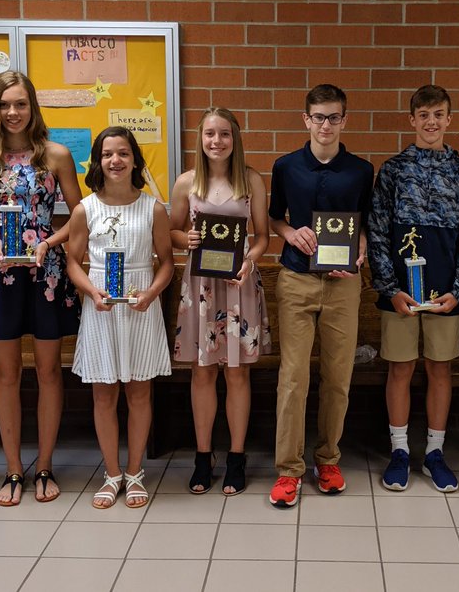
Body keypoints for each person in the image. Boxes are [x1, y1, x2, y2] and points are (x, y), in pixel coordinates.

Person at [0, 71, 82, 507]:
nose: (13, 112)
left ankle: (44, 465)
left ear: (32, 108)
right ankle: (12, 469)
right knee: (7, 374)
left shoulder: (55, 155)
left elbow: (78, 215)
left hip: (46, 272)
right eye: (5, 104)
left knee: (48, 371)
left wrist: (49, 242)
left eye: (21, 104)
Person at [268, 84, 374, 509]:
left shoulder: (361, 170)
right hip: (297, 279)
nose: (325, 125)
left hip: (344, 283)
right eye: (318, 117)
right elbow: (274, 219)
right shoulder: (286, 166)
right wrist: (290, 233)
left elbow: (364, 224)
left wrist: (361, 248)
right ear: (306, 120)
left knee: (338, 376)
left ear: (344, 120)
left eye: (333, 117)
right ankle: (288, 469)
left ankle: (328, 460)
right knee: (293, 376)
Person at [367, 85, 459, 493]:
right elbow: (377, 231)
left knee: (439, 368)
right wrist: (389, 287)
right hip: (400, 292)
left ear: (450, 119)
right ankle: (399, 450)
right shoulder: (393, 170)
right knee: (400, 368)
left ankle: (434, 452)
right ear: (412, 119)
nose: (432, 122)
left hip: (444, 290)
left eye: (439, 114)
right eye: (424, 115)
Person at [67, 126, 174, 509]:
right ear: (98, 161)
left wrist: (152, 293)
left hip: (140, 305)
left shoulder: (152, 208)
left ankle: (135, 471)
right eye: (108, 154)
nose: (116, 160)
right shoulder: (85, 209)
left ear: (134, 160)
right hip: (101, 307)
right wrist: (91, 291)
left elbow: (167, 263)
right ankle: (112, 474)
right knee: (104, 393)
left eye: (123, 153)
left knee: (140, 392)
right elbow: (73, 262)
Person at [170, 108, 271, 496]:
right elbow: (173, 231)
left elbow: (262, 237)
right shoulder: (186, 182)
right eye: (210, 134)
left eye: (224, 134)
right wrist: (186, 239)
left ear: (235, 138)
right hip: (201, 288)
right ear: (200, 138)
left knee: (237, 373)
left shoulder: (251, 180)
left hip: (238, 283)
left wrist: (250, 261)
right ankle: (202, 456)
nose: (217, 141)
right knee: (202, 372)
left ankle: (237, 457)